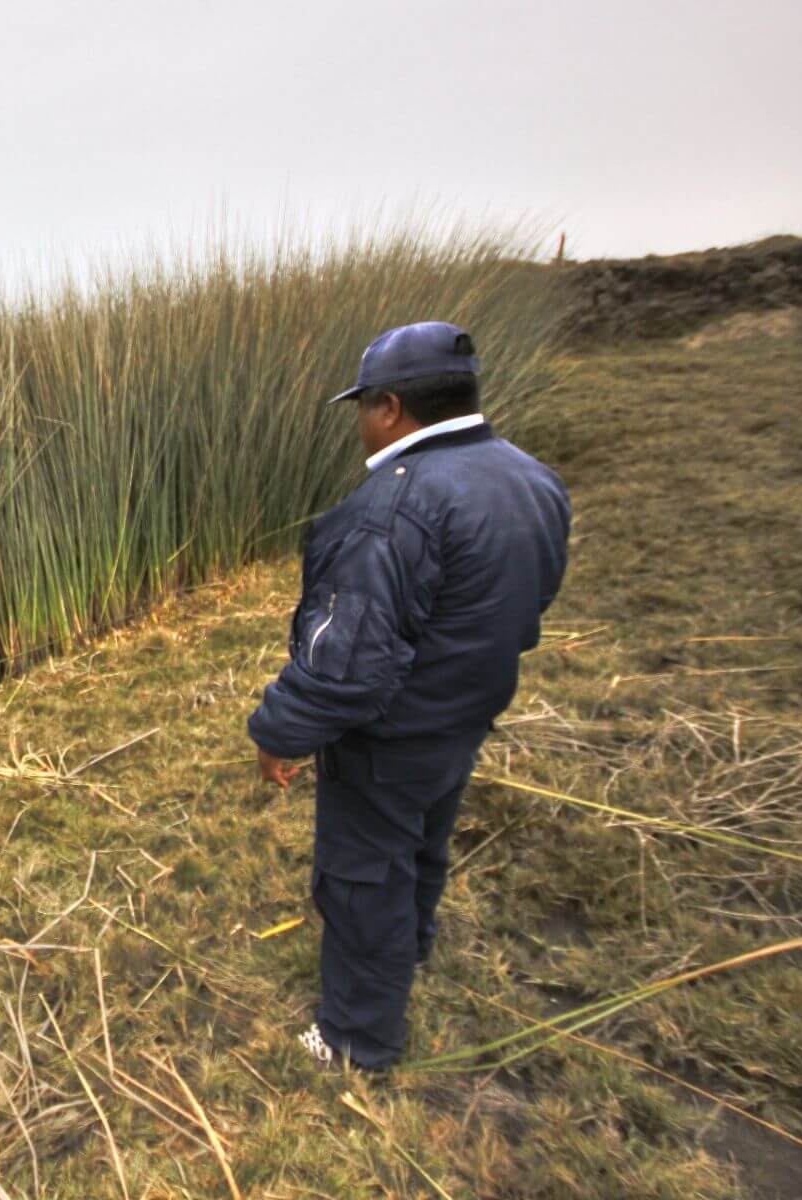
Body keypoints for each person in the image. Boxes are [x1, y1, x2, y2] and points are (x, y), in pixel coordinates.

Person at [246, 321, 571, 1072]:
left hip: (391, 734)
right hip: (465, 714)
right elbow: (533, 594)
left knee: (363, 876)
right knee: (423, 841)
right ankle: (411, 948)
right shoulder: (529, 476)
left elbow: (346, 665)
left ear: (389, 407)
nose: (359, 423)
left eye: (361, 406)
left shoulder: (392, 510)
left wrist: (278, 735)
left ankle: (357, 1038)